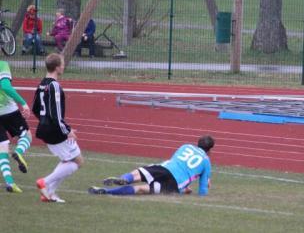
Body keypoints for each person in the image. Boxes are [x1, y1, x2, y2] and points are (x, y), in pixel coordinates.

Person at [32, 54, 84, 203]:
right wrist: (67, 130)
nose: (63, 66)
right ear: (56, 67)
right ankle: (45, 183)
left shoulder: (42, 83)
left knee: (68, 160)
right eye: (62, 63)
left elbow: (35, 108)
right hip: (55, 131)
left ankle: (48, 193)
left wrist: (44, 121)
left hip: (47, 129)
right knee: (77, 162)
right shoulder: (54, 86)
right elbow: (56, 114)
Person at [88, 135, 214, 196]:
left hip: (164, 169)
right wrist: (196, 193)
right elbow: (203, 189)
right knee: (141, 189)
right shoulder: (206, 161)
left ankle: (125, 179)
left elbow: (178, 162)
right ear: (210, 150)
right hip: (173, 184)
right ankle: (107, 192)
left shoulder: (185, 146)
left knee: (136, 174)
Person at [0, 61, 32, 193]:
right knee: (27, 135)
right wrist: (23, 103)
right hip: (8, 109)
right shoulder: (2, 64)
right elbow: (5, 86)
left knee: (2, 148)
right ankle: (19, 152)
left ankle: (10, 182)